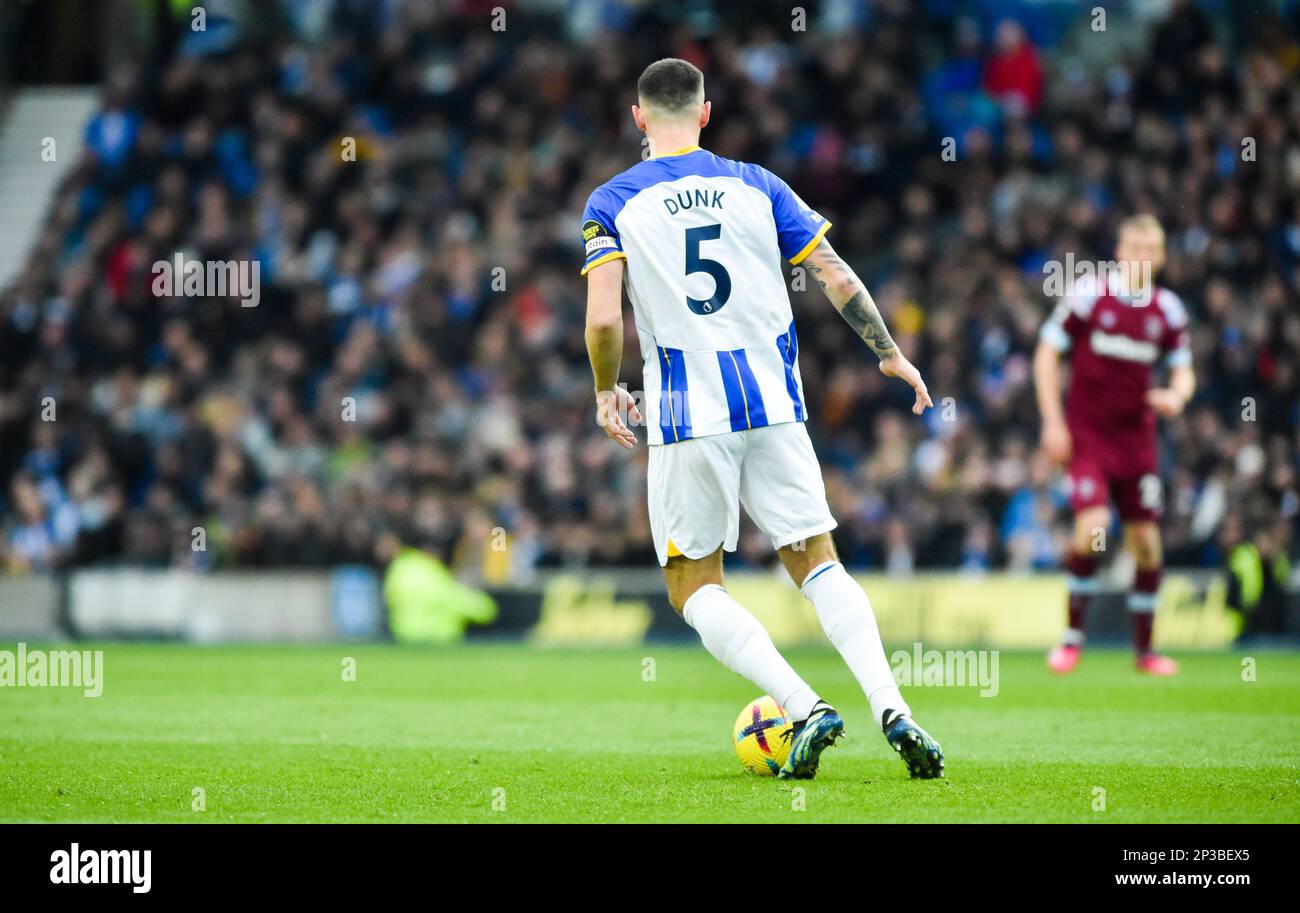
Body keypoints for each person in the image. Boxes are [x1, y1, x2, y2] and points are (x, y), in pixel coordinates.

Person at [581, 58, 943, 779]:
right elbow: (837, 275)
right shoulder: (758, 184)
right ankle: (894, 707)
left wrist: (604, 388)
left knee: (694, 581)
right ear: (707, 113)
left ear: (639, 117)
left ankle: (805, 705)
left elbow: (601, 319)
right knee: (816, 561)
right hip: (775, 404)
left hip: (689, 412)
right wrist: (891, 354)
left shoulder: (613, 200)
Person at [1034, 215, 1195, 675]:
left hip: (1137, 443)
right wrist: (1052, 422)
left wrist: (1177, 395)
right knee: (1095, 528)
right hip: (1088, 438)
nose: (1143, 255)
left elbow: (1184, 368)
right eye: (1135, 246)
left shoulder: (1169, 310)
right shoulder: (1088, 295)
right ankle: (1071, 640)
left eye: (1152, 248)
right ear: (1120, 252)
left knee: (1147, 545)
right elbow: (1047, 352)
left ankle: (1145, 652)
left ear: (1161, 258)